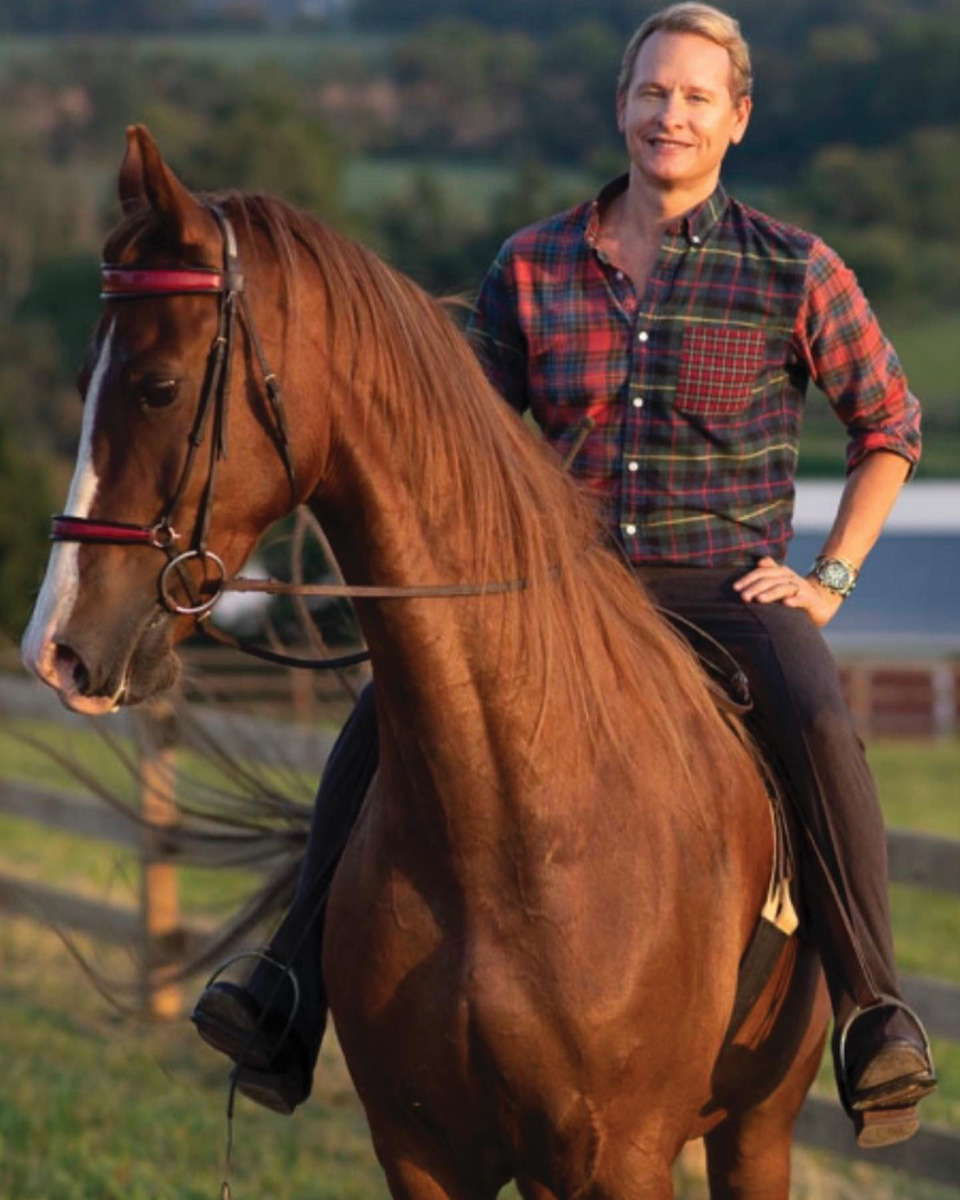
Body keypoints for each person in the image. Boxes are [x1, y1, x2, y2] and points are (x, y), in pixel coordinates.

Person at [192, 2, 936, 1145]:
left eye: (695, 97)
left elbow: (888, 427)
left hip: (722, 591)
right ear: (620, 107)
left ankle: (875, 1009)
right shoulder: (532, 265)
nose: (668, 114)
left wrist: (829, 579)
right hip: (554, 592)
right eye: (651, 92)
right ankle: (288, 988)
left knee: (821, 716)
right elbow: (467, 441)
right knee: (384, 710)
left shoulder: (795, 270)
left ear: (736, 119)